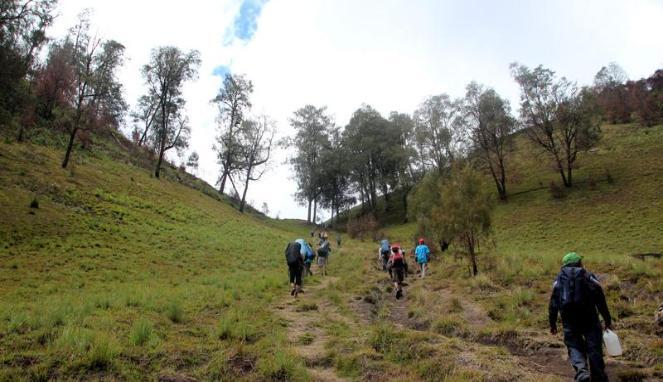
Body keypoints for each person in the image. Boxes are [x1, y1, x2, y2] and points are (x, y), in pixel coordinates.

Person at [549, 252, 613, 382]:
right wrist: (607, 320)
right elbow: (601, 300)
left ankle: (582, 372)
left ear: (564, 265)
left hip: (569, 321)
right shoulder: (588, 277)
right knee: (594, 347)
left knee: (574, 346)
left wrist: (553, 324)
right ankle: (598, 376)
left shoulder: (559, 280)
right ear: (580, 263)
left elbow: (553, 304)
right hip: (590, 319)